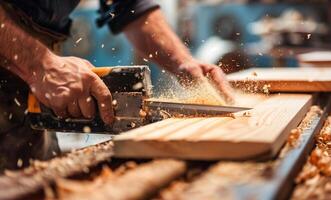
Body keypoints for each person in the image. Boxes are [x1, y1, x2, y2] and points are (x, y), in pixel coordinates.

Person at [0, 0, 235, 171]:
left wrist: (183, 63)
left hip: (34, 82)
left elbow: (131, 7)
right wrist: (40, 64)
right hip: (23, 57)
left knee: (33, 180)